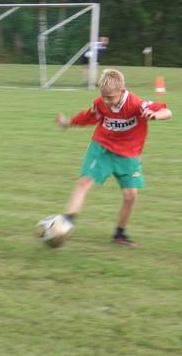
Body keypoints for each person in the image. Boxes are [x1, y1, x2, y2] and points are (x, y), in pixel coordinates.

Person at [55, 69, 172, 247]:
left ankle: (120, 234)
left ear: (122, 91)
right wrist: (68, 122)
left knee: (130, 195)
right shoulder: (101, 103)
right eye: (104, 97)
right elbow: (89, 116)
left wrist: (156, 115)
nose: (107, 102)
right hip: (102, 148)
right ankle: (66, 224)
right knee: (84, 182)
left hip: (128, 154)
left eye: (111, 97)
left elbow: (167, 111)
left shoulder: (135, 104)